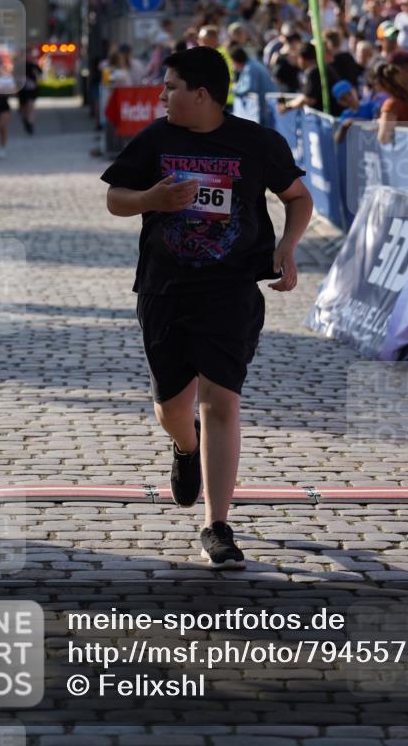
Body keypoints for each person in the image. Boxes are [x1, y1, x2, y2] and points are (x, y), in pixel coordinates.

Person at [101, 46, 312, 568]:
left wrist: (285, 248)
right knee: (174, 407)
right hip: (164, 288)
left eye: (170, 86)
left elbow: (299, 198)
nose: (162, 94)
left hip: (231, 289)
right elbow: (115, 198)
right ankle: (184, 447)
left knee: (220, 401)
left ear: (201, 94)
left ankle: (217, 525)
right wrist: (154, 199)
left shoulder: (256, 143)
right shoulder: (156, 138)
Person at [230, 46, 277, 125]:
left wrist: (234, 91)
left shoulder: (250, 67)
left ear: (236, 61)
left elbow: (249, 87)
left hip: (267, 106)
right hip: (265, 105)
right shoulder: (250, 65)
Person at [375, 62, 408, 143]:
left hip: (404, 150)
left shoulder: (392, 105)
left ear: (382, 85)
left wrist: (380, 124)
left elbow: (383, 138)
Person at [15, 48, 41, 135]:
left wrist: (35, 82)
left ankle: (30, 123)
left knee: (30, 105)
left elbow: (40, 74)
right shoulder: (18, 66)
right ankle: (25, 120)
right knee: (22, 108)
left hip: (31, 90)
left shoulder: (34, 65)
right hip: (22, 90)